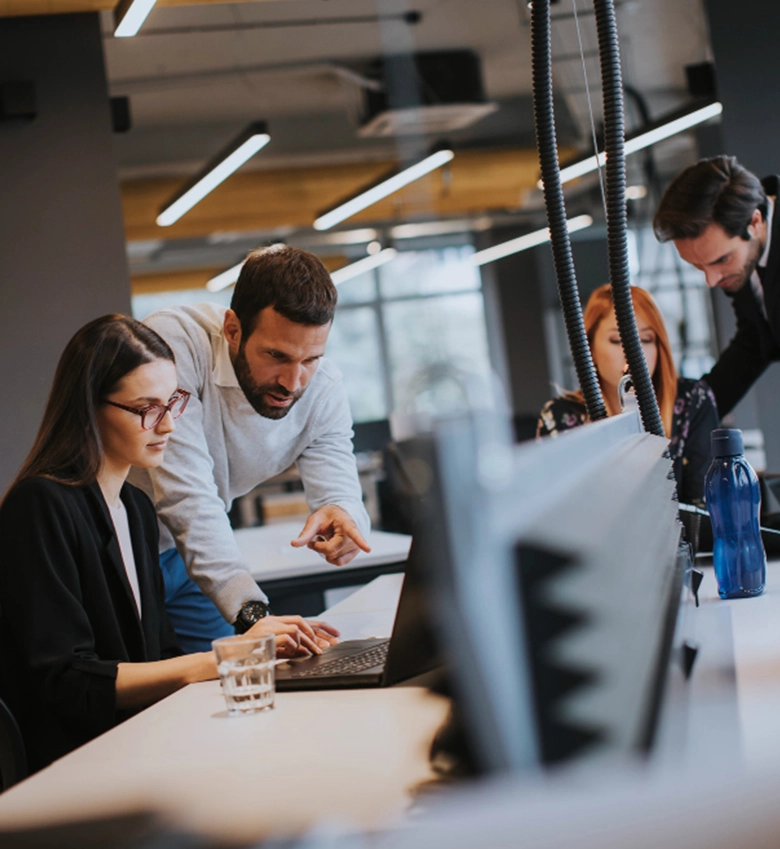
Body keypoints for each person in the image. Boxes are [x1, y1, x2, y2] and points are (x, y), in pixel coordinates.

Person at [129, 244, 370, 653]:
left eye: (311, 358)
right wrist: (252, 614)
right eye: (277, 356)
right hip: (117, 553)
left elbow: (337, 482)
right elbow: (187, 494)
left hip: (189, 559)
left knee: (215, 682)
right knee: (129, 694)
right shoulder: (173, 344)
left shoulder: (323, 388)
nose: (293, 382)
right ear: (233, 329)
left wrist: (345, 514)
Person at [537, 284, 719, 504]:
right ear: (589, 349)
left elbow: (703, 507)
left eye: (646, 339)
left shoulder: (693, 400)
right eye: (617, 340)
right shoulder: (559, 418)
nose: (634, 352)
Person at [653, 155, 780, 418]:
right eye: (698, 266)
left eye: (722, 260)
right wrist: (685, 417)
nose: (711, 280)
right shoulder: (745, 258)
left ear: (755, 222)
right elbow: (755, 339)